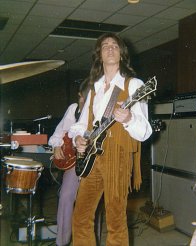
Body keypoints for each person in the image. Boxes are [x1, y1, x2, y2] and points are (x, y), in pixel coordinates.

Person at [69, 32, 152, 246]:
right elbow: (81, 125)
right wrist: (78, 137)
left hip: (118, 156)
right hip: (91, 158)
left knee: (115, 221)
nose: (110, 48)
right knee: (80, 217)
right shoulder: (94, 89)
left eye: (115, 45)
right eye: (105, 45)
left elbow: (144, 132)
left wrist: (129, 117)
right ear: (100, 55)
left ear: (122, 54)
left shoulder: (134, 85)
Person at [48, 80, 90, 246]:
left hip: (96, 161)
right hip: (75, 162)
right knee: (65, 196)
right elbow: (58, 132)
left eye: (86, 99)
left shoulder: (100, 110)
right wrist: (57, 144)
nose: (82, 103)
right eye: (81, 98)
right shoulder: (73, 109)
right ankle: (62, 242)